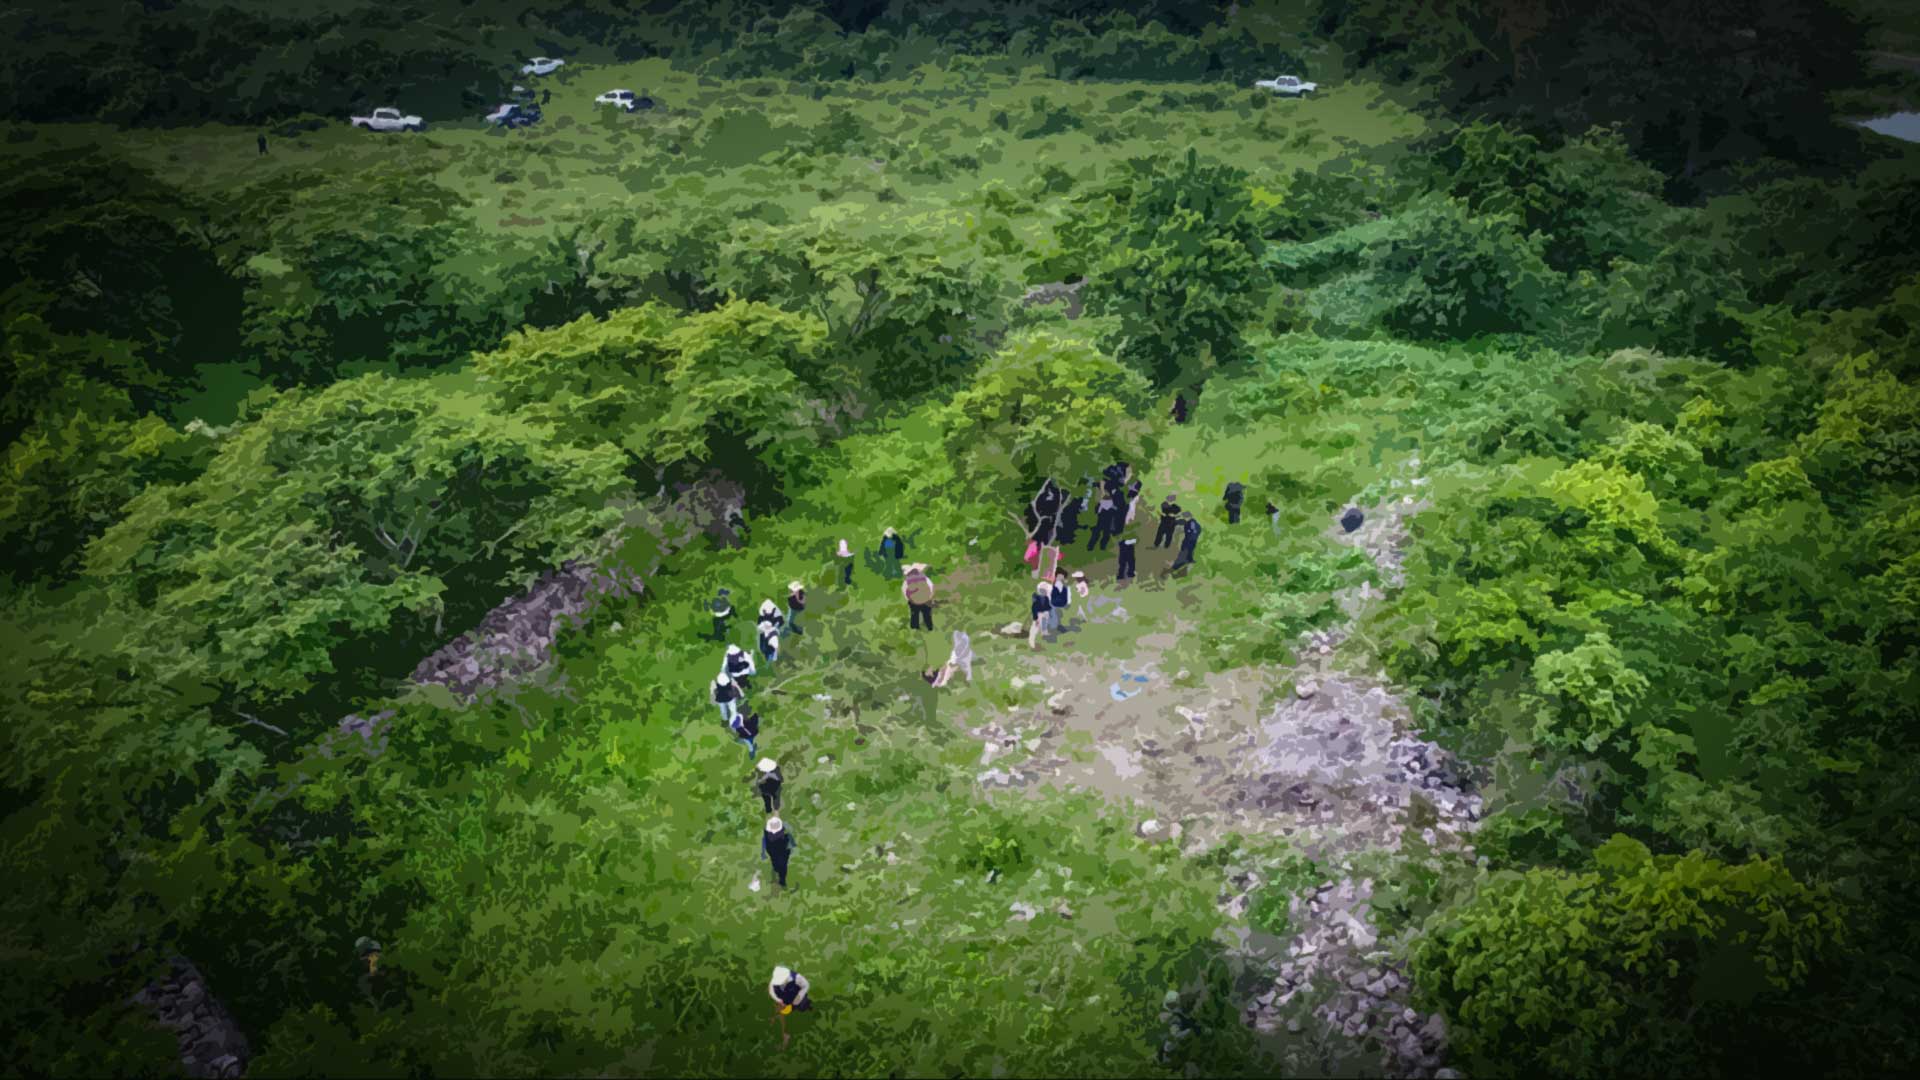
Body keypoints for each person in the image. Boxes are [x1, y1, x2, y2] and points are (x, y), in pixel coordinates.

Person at [768, 964, 813, 1049]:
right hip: (783, 1000)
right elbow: (771, 990)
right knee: (781, 1013)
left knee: (802, 1006)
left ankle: (806, 1006)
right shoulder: (775, 979)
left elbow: (806, 985)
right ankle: (783, 1032)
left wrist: (799, 997)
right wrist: (778, 1000)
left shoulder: (797, 978)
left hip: (795, 997)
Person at [762, 816, 797, 888]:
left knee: (782, 866)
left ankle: (782, 880)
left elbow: (790, 840)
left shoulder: (784, 835)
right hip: (775, 852)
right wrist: (763, 852)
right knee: (777, 865)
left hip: (782, 852)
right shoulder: (768, 834)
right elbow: (764, 841)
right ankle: (780, 875)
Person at [902, 563, 936, 631]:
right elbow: (931, 586)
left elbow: (904, 590)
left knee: (914, 614)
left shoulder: (907, 581)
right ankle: (929, 627)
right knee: (927, 614)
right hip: (926, 599)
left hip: (913, 601)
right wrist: (930, 596)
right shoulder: (924, 578)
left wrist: (909, 599)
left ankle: (914, 627)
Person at [1028, 581, 1052, 650]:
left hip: (1044, 613)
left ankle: (1044, 632)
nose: (1043, 592)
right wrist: (1036, 619)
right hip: (1038, 614)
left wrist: (1048, 612)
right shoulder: (1037, 599)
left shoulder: (1046, 598)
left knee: (1045, 623)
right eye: (1042, 590)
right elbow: (1034, 609)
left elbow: (1048, 606)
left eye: (1044, 591)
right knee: (1035, 627)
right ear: (1039, 591)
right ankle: (1032, 642)